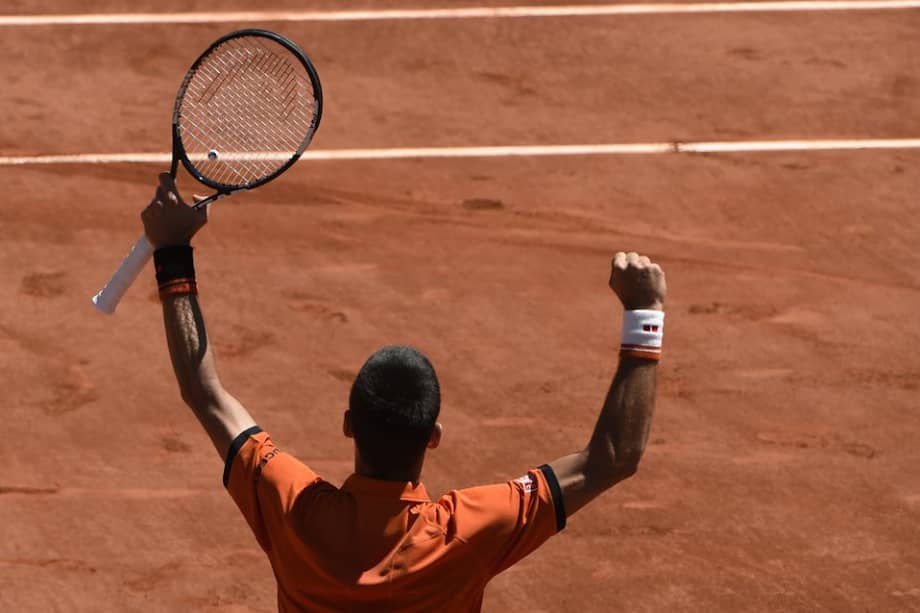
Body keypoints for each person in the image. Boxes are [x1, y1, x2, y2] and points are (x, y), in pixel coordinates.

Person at [141, 173, 667, 612]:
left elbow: (204, 391)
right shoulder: (470, 531)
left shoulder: (293, 507)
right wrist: (644, 312)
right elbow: (613, 457)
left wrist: (172, 252)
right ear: (433, 436)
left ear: (349, 423)